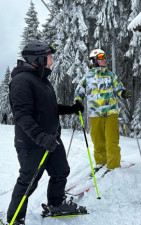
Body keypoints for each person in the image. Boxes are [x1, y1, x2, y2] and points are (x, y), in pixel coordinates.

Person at [7, 41, 86, 225]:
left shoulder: (41, 79)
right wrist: (41, 137)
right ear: (38, 59)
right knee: (29, 181)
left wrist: (71, 109)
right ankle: (14, 219)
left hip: (51, 139)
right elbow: (22, 116)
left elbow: (48, 108)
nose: (52, 61)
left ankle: (56, 204)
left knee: (61, 171)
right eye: (49, 57)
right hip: (32, 142)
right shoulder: (21, 81)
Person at [74, 48, 131, 173]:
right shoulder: (87, 77)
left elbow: (118, 89)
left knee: (112, 140)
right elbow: (79, 92)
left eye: (104, 57)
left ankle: (113, 165)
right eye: (101, 58)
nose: (104, 60)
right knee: (97, 140)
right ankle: (100, 162)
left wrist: (123, 93)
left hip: (110, 112)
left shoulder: (110, 75)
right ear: (94, 60)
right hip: (95, 113)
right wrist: (78, 101)